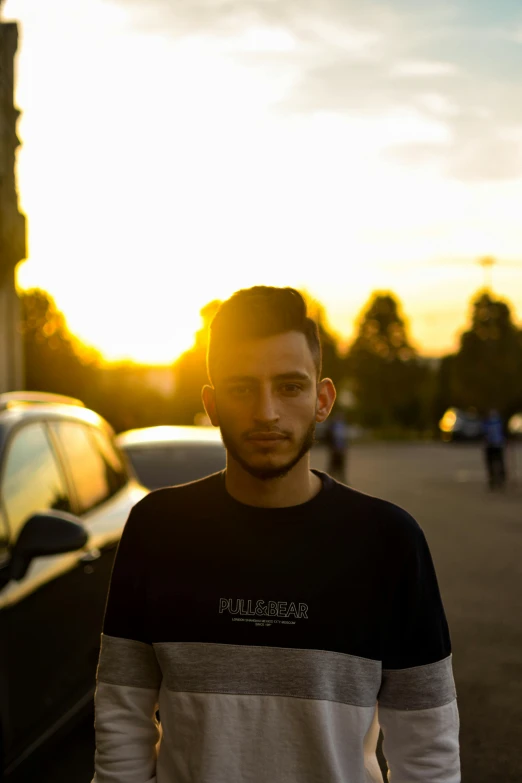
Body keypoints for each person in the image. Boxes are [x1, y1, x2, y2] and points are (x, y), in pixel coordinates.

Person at [92, 286, 460, 783]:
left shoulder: (389, 541)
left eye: (289, 387)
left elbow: (428, 750)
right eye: (242, 388)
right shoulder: (157, 529)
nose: (267, 412)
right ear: (213, 403)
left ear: (322, 399)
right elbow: (122, 725)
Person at [483, 408, 507, 490]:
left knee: (496, 462)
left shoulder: (495, 422)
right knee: (495, 462)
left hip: (495, 445)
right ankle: (496, 479)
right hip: (494, 445)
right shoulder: (493, 422)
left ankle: (498, 479)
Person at [326, 409, 348, 482]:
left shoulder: (342, 425)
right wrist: (332, 448)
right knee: (333, 465)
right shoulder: (333, 426)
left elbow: (344, 437)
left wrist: (344, 447)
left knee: (341, 465)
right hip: (335, 449)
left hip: (341, 449)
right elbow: (329, 437)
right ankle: (329, 479)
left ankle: (342, 480)